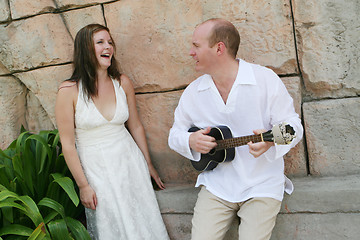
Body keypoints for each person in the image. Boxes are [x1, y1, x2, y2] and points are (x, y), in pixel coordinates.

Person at [168, 18, 303, 240]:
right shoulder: (194, 92)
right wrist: (190, 141)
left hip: (262, 185)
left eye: (196, 45)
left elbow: (294, 127)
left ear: (219, 48)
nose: (191, 52)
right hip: (217, 186)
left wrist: (270, 140)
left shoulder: (264, 79)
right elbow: (175, 135)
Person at [55, 24, 169, 240]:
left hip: (129, 163)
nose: (108, 47)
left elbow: (135, 126)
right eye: (100, 42)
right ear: (85, 49)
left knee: (144, 223)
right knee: (111, 227)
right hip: (96, 169)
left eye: (110, 42)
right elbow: (68, 144)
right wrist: (83, 185)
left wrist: (149, 165)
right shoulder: (68, 91)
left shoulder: (122, 82)